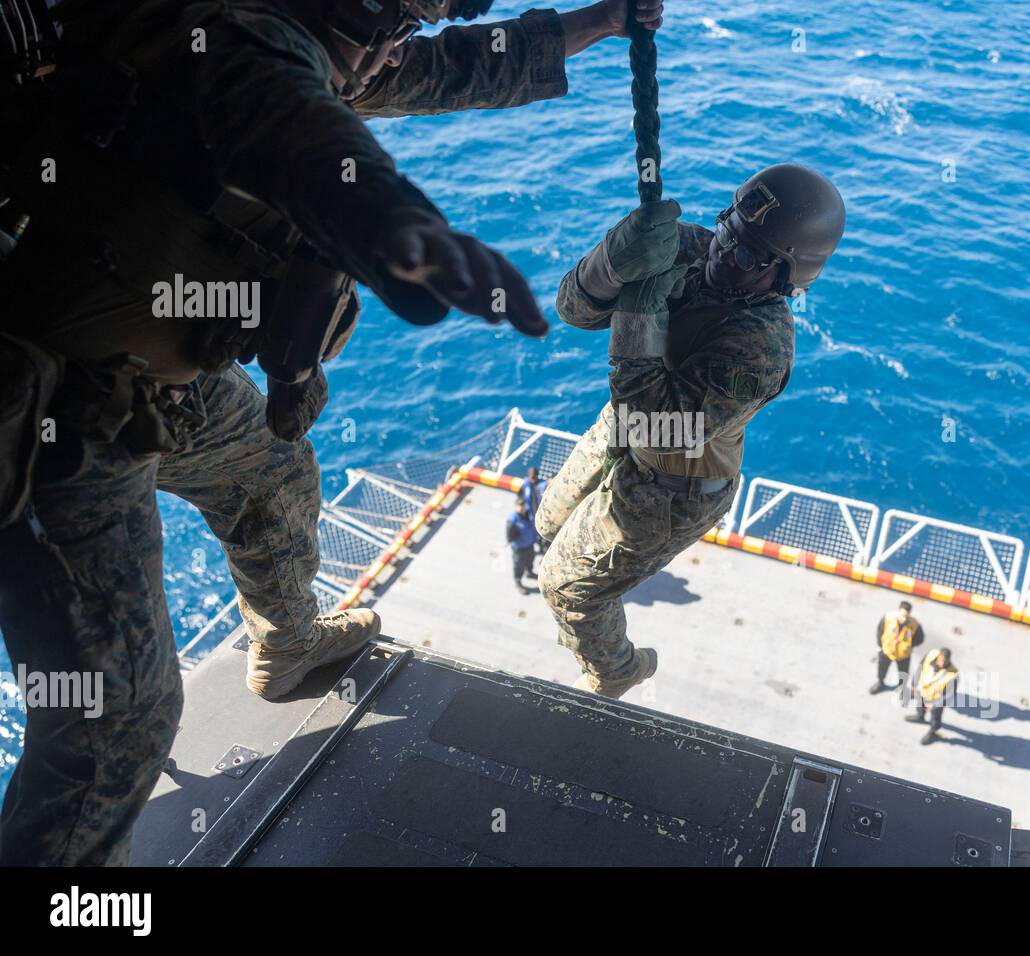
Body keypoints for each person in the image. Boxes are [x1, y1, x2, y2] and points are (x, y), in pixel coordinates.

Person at [0, 0, 664, 866]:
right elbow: (289, 120)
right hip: (48, 404)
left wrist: (603, 19)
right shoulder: (227, 37)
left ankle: (285, 642)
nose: (392, 53)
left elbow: (444, 68)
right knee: (114, 720)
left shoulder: (325, 43)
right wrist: (395, 227)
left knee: (269, 470)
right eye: (384, 26)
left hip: (133, 373)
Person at [537, 163, 846, 698]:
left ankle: (617, 671)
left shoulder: (761, 346)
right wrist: (610, 263)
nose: (725, 256)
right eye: (729, 233)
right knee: (547, 526)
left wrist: (638, 316)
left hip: (671, 490)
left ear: (783, 279)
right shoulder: (689, 248)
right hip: (621, 431)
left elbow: (659, 427)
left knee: (567, 590)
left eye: (750, 258)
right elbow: (572, 309)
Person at [869, 600, 924, 695]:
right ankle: (880, 683)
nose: (904, 618)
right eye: (902, 615)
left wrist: (908, 646)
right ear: (899, 611)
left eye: (906, 616)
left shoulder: (914, 624)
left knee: (903, 673)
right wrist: (881, 645)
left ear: (909, 614)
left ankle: (901, 688)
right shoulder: (888, 618)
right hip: (887, 651)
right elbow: (880, 631)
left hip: (903, 655)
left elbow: (920, 638)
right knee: (882, 669)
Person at [906, 647, 959, 745]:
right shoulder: (930, 655)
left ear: (949, 660)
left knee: (935, 717)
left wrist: (935, 705)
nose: (942, 663)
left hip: (936, 700)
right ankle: (920, 716)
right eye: (941, 660)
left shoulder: (953, 674)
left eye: (945, 661)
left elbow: (950, 695)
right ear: (938, 656)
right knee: (920, 706)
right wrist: (913, 685)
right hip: (923, 691)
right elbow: (919, 668)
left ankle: (933, 732)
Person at [506, 496, 541, 592]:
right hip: (519, 548)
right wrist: (517, 535)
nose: (521, 507)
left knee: (530, 560)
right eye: (519, 506)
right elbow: (509, 537)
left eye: (523, 505)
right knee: (519, 566)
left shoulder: (528, 514)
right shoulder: (512, 520)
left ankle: (529, 572)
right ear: (516, 506)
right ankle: (518, 582)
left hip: (530, 545)